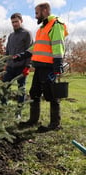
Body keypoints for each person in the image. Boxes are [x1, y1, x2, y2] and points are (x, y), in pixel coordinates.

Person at [17, 2, 68, 132]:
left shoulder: (55, 25)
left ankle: (55, 124)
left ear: (45, 11)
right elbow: (37, 46)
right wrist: (23, 55)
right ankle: (33, 120)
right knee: (34, 93)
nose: (35, 16)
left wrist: (58, 64)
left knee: (52, 95)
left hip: (49, 67)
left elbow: (58, 45)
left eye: (37, 13)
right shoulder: (41, 29)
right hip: (39, 66)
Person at [1, 13, 33, 119]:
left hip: (21, 67)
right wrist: (5, 64)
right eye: (12, 22)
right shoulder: (11, 36)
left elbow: (30, 51)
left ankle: (18, 112)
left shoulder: (27, 34)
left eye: (16, 22)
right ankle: (3, 109)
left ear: (21, 21)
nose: (14, 24)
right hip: (10, 67)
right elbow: (7, 52)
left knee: (21, 89)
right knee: (5, 87)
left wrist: (28, 66)